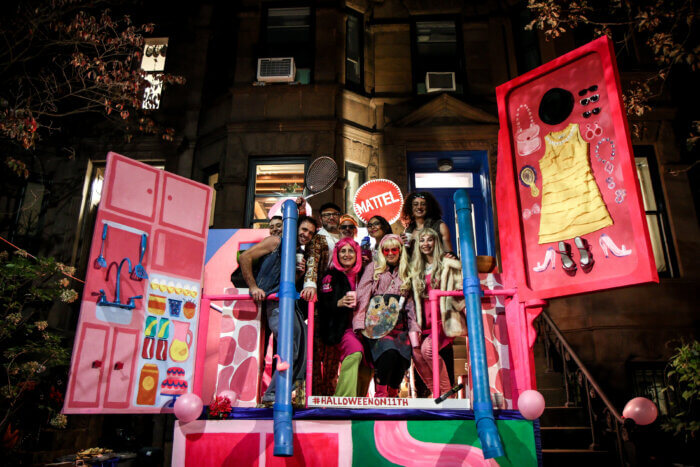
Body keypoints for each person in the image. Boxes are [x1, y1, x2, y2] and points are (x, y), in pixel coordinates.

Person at [238, 215, 318, 405]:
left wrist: (298, 275)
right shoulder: (276, 241)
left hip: (289, 303)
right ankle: (273, 394)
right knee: (289, 346)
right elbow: (245, 257)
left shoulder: (297, 251)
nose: (306, 235)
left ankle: (289, 391)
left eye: (310, 233)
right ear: (295, 227)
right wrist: (253, 287)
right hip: (275, 303)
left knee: (304, 343)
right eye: (304, 230)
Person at [355, 234, 419, 397]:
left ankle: (393, 392)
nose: (390, 253)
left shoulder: (407, 270)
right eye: (386, 250)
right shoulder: (373, 268)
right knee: (388, 353)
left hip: (400, 323)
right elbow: (362, 294)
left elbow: (411, 305)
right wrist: (359, 322)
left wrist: (414, 328)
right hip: (377, 323)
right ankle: (381, 393)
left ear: (399, 251)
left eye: (394, 249)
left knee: (402, 359)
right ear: (381, 252)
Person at [406, 228, 462, 397]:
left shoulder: (448, 263)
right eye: (422, 240)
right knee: (417, 355)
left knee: (428, 350)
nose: (426, 244)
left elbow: (459, 289)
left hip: (443, 320)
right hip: (424, 323)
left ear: (436, 242)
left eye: (429, 240)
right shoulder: (416, 268)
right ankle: (437, 393)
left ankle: (446, 394)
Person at [317, 238, 370, 397]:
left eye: (351, 251)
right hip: (342, 328)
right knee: (355, 352)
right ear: (337, 254)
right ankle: (342, 400)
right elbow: (323, 302)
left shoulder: (364, 273)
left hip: (366, 327)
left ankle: (359, 403)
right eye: (343, 251)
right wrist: (337, 302)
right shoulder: (331, 275)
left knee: (367, 366)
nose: (347, 254)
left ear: (357, 253)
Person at [301, 202, 342, 302]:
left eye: (335, 214)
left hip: (344, 286)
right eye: (327, 215)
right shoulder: (317, 238)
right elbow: (312, 261)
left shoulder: (344, 236)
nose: (331, 217)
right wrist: (310, 284)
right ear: (321, 218)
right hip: (325, 288)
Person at [400, 192, 455, 257]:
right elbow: (406, 257)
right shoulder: (408, 230)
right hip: (414, 267)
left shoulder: (440, 226)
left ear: (429, 207)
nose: (419, 207)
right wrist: (401, 245)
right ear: (410, 208)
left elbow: (449, 254)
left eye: (423, 204)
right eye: (415, 204)